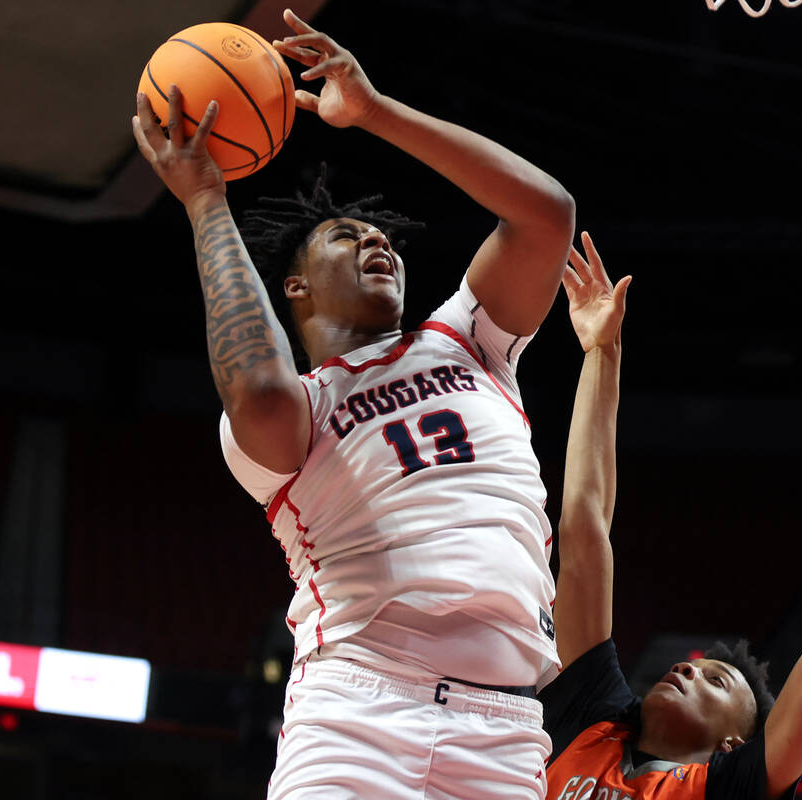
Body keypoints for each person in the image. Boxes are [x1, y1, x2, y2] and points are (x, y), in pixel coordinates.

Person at [131, 9, 575, 799]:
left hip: (507, 732)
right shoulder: (292, 409)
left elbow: (547, 215)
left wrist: (375, 113)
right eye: (346, 235)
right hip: (360, 713)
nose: (379, 243)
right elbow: (257, 388)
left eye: (387, 238)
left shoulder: (469, 338)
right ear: (293, 287)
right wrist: (206, 202)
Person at [542, 232, 802, 800]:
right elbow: (584, 532)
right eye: (698, 667)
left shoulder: (733, 784)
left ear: (734, 742)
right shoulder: (593, 718)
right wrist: (602, 352)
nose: (686, 669)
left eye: (715, 680)